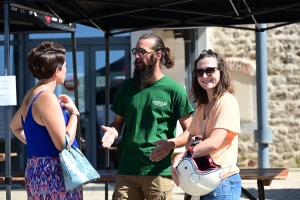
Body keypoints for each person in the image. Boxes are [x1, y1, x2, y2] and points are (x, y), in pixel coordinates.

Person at [101, 33, 194, 200]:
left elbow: (191, 131)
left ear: (158, 55)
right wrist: (113, 132)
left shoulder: (174, 90)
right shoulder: (126, 87)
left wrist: (171, 144)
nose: (137, 56)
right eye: (135, 51)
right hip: (127, 172)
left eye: (142, 52)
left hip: (158, 173)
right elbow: (117, 123)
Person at [10, 42, 82, 200]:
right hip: (54, 173)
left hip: (37, 170)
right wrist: (75, 113)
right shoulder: (47, 97)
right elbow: (63, 143)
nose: (66, 70)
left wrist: (39, 145)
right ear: (57, 71)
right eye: (65, 66)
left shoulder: (32, 93)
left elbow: (14, 126)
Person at [171, 49, 241, 200]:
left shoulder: (226, 101)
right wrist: (191, 147)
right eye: (199, 72)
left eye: (210, 71)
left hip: (222, 182)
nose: (204, 76)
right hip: (203, 180)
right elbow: (190, 141)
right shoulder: (201, 106)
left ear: (220, 72)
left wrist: (182, 157)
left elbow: (214, 142)